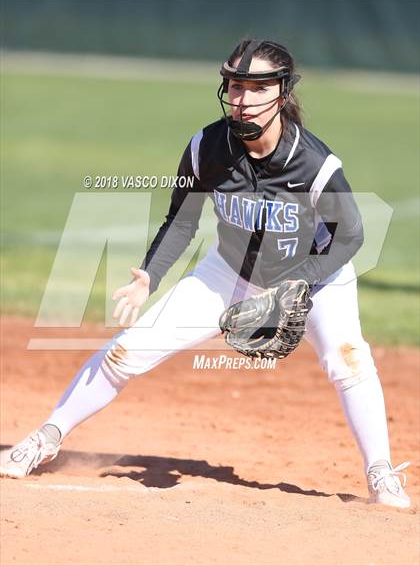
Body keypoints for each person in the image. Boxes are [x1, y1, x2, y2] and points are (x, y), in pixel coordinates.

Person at [0, 39, 410, 509]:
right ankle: (46, 436)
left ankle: (381, 474)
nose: (243, 99)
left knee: (350, 359)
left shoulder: (314, 163)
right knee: (124, 352)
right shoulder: (207, 147)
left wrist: (301, 282)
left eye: (258, 88)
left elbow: (350, 236)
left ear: (282, 93)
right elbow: (182, 220)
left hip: (315, 277)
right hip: (228, 272)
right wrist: (150, 277)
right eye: (236, 86)